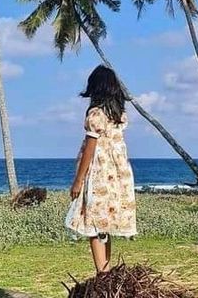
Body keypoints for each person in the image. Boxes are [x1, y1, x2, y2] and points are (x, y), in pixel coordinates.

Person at [65, 65, 137, 272]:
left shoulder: (96, 115)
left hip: (99, 174)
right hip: (119, 174)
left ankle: (102, 274)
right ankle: (105, 270)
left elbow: (90, 149)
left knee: (94, 225)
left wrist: (78, 180)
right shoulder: (118, 115)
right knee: (104, 225)